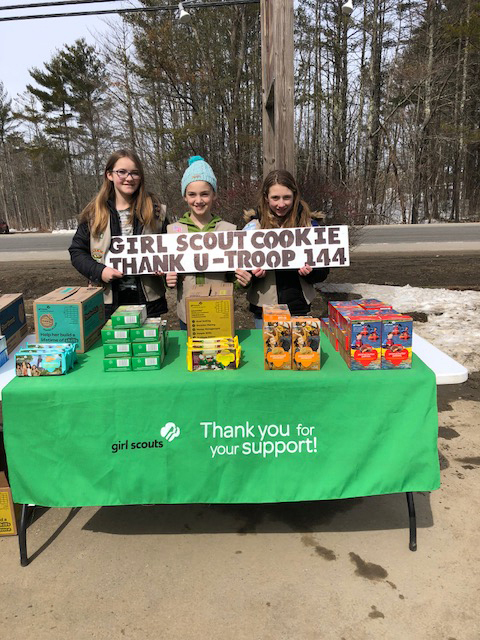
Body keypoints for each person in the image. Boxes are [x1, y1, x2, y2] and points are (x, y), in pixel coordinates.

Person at [69, 149, 169, 320]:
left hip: (148, 301)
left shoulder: (156, 210)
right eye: (122, 172)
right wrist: (100, 271)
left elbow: (171, 249)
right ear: (109, 175)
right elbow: (77, 252)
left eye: (135, 173)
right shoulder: (95, 212)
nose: (129, 178)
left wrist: (164, 265)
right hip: (107, 301)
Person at [166, 156, 251, 329]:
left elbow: (233, 276)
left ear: (214, 195)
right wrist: (167, 279)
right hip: (188, 314)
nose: (198, 200)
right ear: (184, 196)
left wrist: (243, 280)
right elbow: (166, 272)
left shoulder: (229, 230)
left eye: (204, 194)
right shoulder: (173, 231)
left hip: (220, 310)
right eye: (192, 194)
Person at [243, 169, 330, 328]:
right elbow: (241, 273)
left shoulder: (310, 226)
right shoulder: (252, 228)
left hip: (298, 308)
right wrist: (253, 274)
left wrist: (311, 273)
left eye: (287, 197)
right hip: (264, 310)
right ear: (266, 198)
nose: (281, 204)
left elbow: (323, 272)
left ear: (295, 196)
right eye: (275, 198)